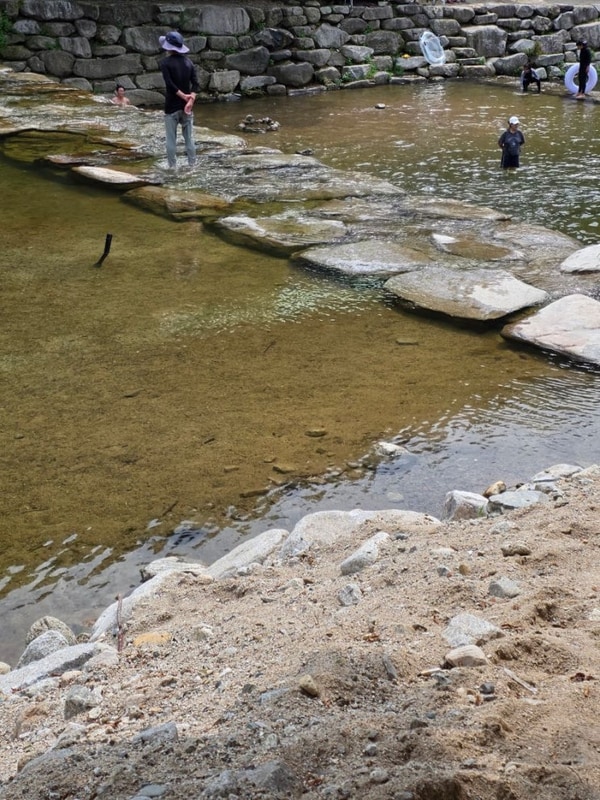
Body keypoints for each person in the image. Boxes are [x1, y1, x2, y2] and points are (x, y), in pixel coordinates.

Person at [159, 31, 199, 170]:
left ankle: (172, 168)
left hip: (171, 106)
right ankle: (192, 166)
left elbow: (170, 84)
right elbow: (196, 84)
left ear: (168, 47)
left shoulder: (165, 63)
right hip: (187, 107)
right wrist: (190, 99)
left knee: (171, 139)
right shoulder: (189, 62)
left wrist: (183, 96)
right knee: (189, 138)